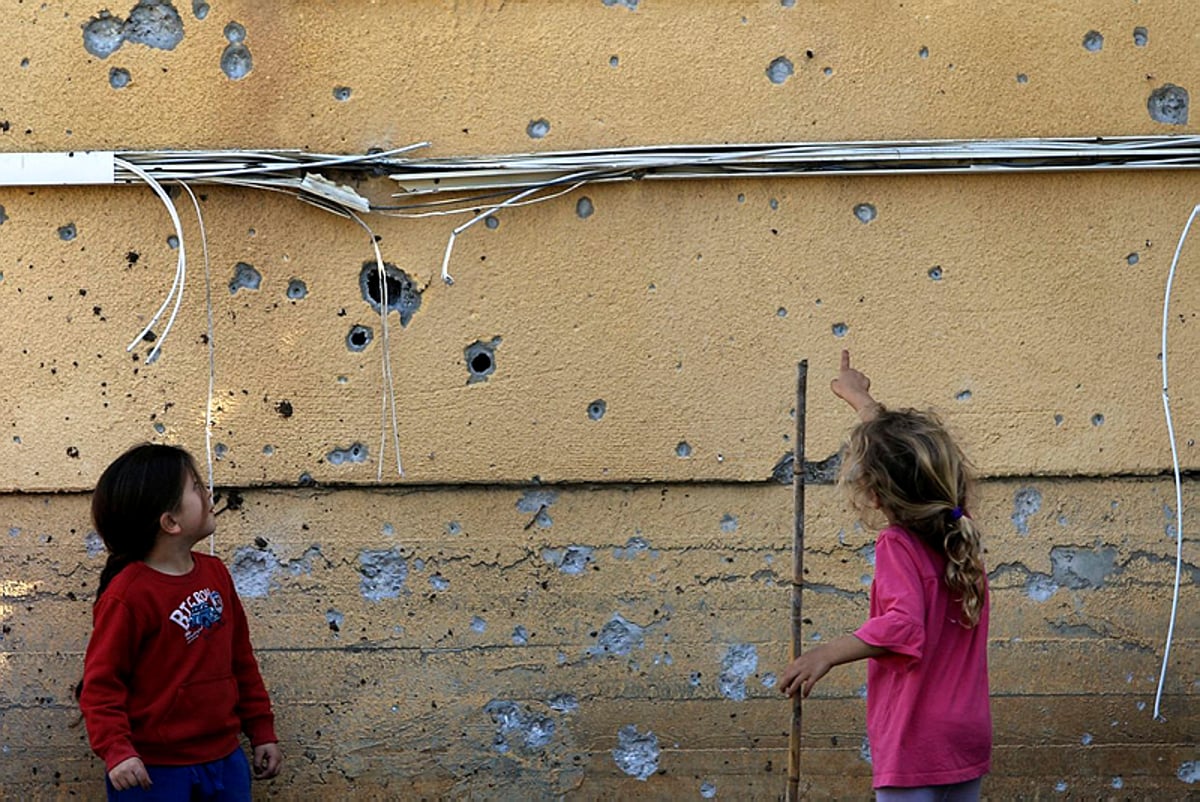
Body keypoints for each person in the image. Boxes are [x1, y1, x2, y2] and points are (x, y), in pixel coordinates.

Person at [779, 350, 991, 801]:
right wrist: (861, 400)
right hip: (965, 735)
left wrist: (826, 654)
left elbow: (904, 625)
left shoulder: (898, 545)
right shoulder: (958, 528)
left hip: (915, 740)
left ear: (874, 494)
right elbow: (905, 459)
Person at [78, 443, 282, 799]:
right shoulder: (128, 596)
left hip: (225, 759)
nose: (209, 493)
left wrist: (262, 730)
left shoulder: (216, 573)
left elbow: (241, 660)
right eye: (197, 487)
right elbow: (101, 685)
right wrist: (117, 751)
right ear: (170, 522)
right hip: (152, 772)